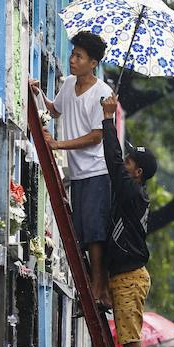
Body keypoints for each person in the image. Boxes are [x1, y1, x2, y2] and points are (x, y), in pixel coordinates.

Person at [30, 31, 114, 308]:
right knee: (82, 233)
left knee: (94, 233)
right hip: (78, 172)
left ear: (93, 63)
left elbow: (96, 135)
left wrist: (58, 145)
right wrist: (38, 93)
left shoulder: (102, 93)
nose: (72, 60)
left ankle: (99, 287)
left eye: (79, 56)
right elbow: (55, 111)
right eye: (73, 54)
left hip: (97, 170)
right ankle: (95, 285)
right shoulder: (68, 84)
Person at [99, 93, 156, 347]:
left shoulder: (132, 192)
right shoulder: (134, 194)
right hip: (128, 276)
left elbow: (111, 159)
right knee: (132, 341)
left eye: (131, 163)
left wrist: (108, 119)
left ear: (137, 174)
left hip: (129, 278)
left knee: (133, 343)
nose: (125, 164)